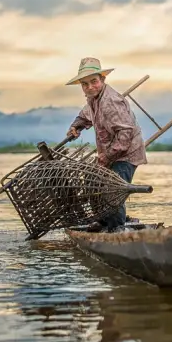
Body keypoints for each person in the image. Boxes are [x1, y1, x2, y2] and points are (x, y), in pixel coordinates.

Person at [65, 57, 147, 231]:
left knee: (112, 190)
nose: (90, 87)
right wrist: (76, 126)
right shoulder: (93, 99)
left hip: (126, 153)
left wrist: (106, 156)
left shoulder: (111, 101)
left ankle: (117, 229)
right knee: (93, 181)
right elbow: (85, 115)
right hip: (111, 152)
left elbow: (125, 134)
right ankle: (103, 222)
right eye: (85, 84)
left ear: (102, 79)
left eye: (93, 81)